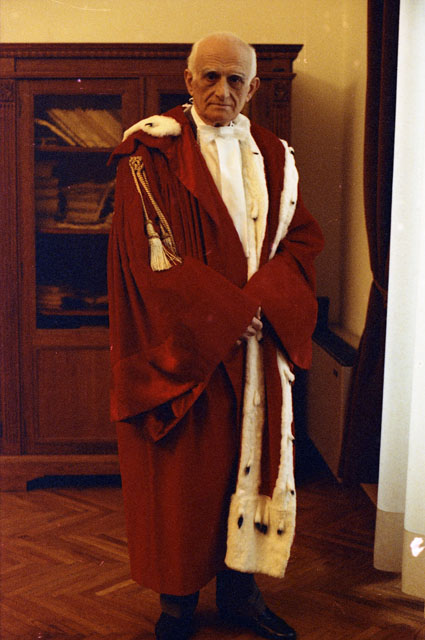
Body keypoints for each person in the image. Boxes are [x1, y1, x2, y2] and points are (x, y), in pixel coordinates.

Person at [107, 32, 323, 640]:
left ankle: (241, 596)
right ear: (188, 80)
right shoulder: (151, 153)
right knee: (185, 480)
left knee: (244, 469)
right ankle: (177, 604)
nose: (221, 91)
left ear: (252, 89)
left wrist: (261, 305)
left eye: (235, 80)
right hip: (190, 349)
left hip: (256, 348)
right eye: (209, 77)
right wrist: (227, 314)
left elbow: (301, 240)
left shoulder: (274, 155)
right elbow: (152, 255)